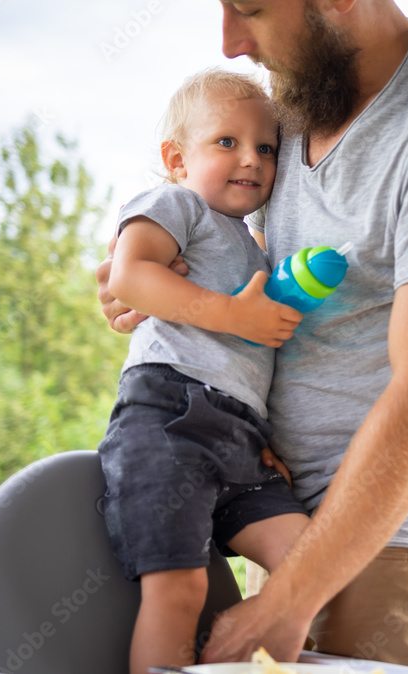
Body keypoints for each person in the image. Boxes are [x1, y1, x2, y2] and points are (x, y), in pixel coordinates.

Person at [97, 1, 408, 671]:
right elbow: (258, 269)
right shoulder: (289, 109)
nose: (231, 41)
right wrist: (163, 283)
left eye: (251, 9)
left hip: (388, 548)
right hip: (277, 519)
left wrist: (287, 602)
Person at [97, 67, 311, 674]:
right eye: (227, 142)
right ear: (176, 158)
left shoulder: (254, 245)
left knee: (305, 565)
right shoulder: (175, 204)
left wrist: (262, 437)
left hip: (242, 439)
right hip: (169, 420)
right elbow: (129, 276)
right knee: (179, 589)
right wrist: (235, 317)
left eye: (266, 148)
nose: (252, 159)